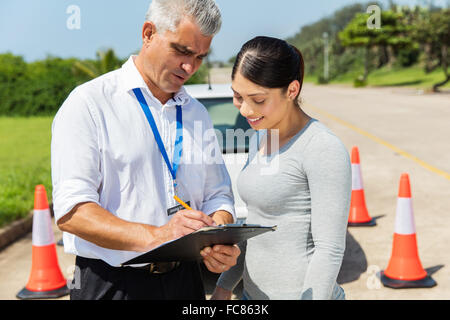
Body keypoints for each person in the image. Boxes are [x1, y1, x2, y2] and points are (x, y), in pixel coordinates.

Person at [51, 0, 240, 300]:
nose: (190, 67)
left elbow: (219, 195)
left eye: (200, 57)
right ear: (148, 33)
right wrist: (159, 236)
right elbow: (73, 212)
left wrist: (216, 235)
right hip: (112, 283)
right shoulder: (89, 104)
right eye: (182, 50)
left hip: (185, 282)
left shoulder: (197, 114)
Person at [211, 36, 351, 300]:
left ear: (292, 90)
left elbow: (329, 249)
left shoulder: (322, 147)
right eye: (237, 96)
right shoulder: (260, 137)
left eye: (258, 99)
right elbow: (255, 223)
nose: (245, 109)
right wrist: (224, 285)